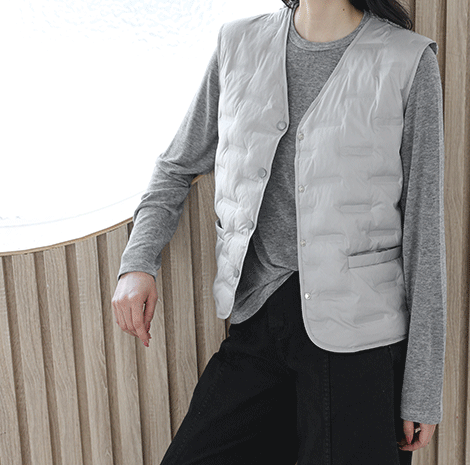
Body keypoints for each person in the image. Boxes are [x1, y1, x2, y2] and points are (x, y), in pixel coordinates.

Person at [112, 0, 447, 463]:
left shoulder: (408, 60)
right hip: (259, 318)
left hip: (361, 339)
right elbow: (176, 166)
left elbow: (425, 230)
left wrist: (423, 388)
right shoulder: (238, 43)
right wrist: (137, 263)